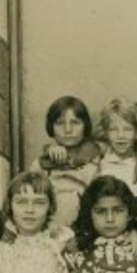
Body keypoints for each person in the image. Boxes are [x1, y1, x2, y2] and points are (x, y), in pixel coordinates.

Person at [35, 95, 103, 228]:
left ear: (86, 126)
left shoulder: (96, 157)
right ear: (51, 127)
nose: (67, 130)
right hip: (49, 230)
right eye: (60, 123)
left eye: (75, 123)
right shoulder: (42, 163)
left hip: (85, 228)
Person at [96, 97, 137, 218]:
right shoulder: (101, 160)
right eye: (113, 130)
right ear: (105, 132)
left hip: (136, 230)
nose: (120, 136)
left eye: (127, 129)